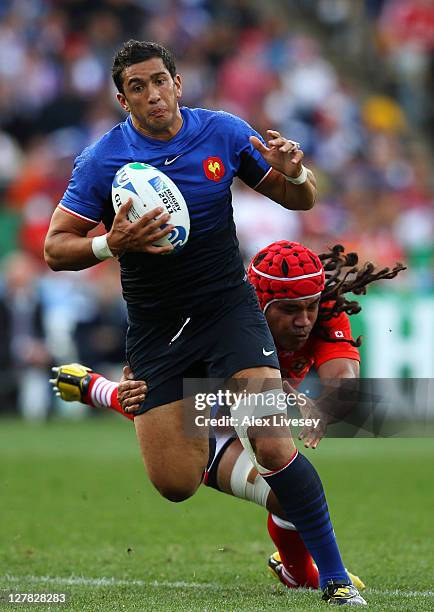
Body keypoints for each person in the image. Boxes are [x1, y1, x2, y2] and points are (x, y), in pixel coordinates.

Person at [44, 39, 366, 605]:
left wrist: (300, 175)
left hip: (228, 310)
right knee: (174, 484)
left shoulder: (222, 132)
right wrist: (108, 243)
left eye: (159, 81)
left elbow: (300, 200)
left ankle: (335, 578)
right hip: (156, 327)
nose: (152, 95)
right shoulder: (102, 161)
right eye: (137, 88)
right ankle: (111, 393)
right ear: (123, 100)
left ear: (178, 83)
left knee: (271, 441)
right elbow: (55, 248)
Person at [52, 241, 403, 591]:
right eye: (290, 310)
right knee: (179, 470)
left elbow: (344, 381)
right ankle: (101, 390)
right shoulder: (221, 313)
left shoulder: (323, 309)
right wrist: (140, 386)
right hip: (207, 410)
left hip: (245, 411)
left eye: (310, 307)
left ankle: (298, 573)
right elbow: (180, 392)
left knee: (289, 488)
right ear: (259, 303)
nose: (304, 321)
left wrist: (324, 406)